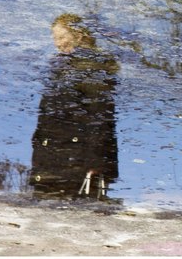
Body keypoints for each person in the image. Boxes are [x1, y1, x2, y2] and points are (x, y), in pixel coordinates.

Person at [30, 14, 120, 200]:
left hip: (78, 165)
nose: (57, 43)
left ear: (78, 36)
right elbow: (46, 121)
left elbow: (100, 117)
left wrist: (97, 163)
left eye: (62, 37)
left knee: (77, 213)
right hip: (51, 163)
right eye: (55, 38)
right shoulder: (60, 69)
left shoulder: (93, 67)